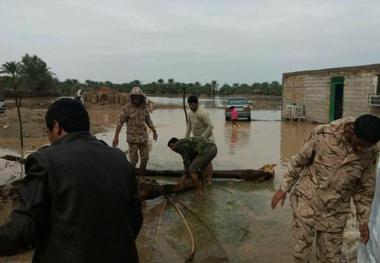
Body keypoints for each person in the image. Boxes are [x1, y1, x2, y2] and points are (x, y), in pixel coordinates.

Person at [0, 98, 142, 262]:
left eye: (48, 132)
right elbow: (135, 219)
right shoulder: (119, 158)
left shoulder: (44, 161)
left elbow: (22, 231)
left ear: (56, 126)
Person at [271, 114, 380, 262]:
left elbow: (364, 189)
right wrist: (283, 189)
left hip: (335, 213)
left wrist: (363, 220)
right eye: (359, 143)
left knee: (330, 259)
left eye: (366, 146)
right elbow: (299, 162)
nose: (360, 148)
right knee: (301, 255)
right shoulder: (323, 134)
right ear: (351, 130)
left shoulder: (371, 151)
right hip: (306, 204)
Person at [113, 87, 158, 180]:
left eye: (138, 97)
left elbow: (148, 120)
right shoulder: (126, 108)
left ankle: (141, 177)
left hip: (143, 138)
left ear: (141, 97)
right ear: (132, 97)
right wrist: (116, 137)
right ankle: (131, 178)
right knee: (133, 161)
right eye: (135, 97)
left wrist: (154, 131)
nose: (136, 99)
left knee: (145, 159)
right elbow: (119, 123)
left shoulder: (144, 108)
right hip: (132, 139)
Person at [185, 95, 215, 184]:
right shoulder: (189, 113)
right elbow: (189, 125)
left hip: (207, 139)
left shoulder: (202, 113)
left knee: (207, 159)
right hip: (197, 139)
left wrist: (204, 136)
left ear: (197, 103)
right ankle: (201, 176)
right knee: (199, 158)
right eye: (190, 105)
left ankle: (209, 178)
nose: (191, 107)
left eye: (193, 105)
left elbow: (211, 126)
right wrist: (186, 136)